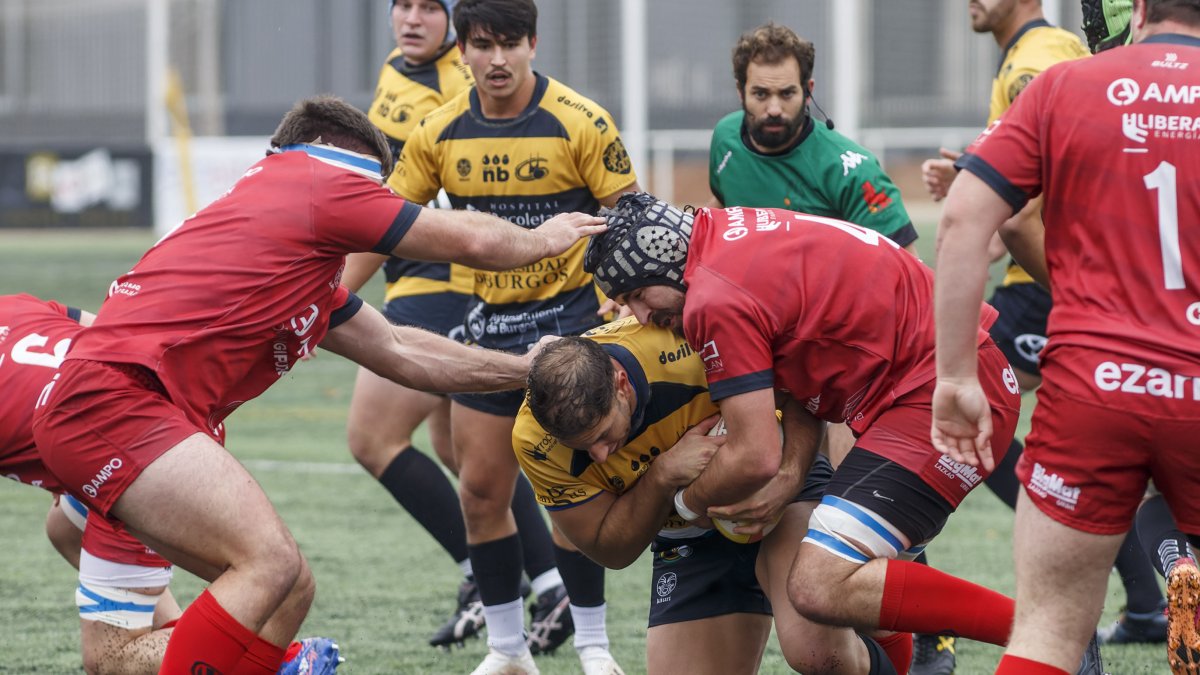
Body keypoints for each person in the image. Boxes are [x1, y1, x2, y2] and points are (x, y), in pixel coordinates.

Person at [29, 95, 605, 675]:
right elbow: (472, 242)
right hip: (119, 403)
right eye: (376, 188)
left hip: (118, 411)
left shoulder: (295, 250)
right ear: (346, 161)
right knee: (270, 565)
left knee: (292, 586)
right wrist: (543, 238)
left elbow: (404, 354)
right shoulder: (316, 179)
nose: (376, 203)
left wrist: (525, 369)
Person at [583, 193, 1091, 674]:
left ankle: (1048, 632)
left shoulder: (712, 296)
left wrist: (685, 505)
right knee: (864, 600)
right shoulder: (725, 232)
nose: (642, 315)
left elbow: (753, 454)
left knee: (818, 584)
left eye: (637, 294)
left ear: (663, 258)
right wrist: (791, 473)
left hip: (936, 396)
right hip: (934, 384)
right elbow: (798, 377)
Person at [933, 0, 1200, 672]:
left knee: (1047, 630)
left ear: (1137, 9)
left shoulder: (1064, 82)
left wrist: (957, 376)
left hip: (1092, 382)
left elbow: (966, 218)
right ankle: (1169, 571)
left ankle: (1157, 584)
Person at [380, 1, 642, 672]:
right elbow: (378, 223)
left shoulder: (580, 122)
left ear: (534, 43)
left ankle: (593, 646)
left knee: (573, 498)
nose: (496, 59)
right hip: (492, 335)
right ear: (462, 51)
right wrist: (324, 292)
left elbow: (633, 220)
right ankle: (506, 649)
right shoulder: (440, 131)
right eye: (481, 45)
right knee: (480, 493)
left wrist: (632, 296)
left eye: (509, 44)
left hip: (573, 335)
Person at [517, 320, 902, 675]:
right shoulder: (535, 441)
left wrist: (786, 479)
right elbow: (611, 551)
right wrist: (664, 475)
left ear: (622, 384)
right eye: (583, 448)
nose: (600, 455)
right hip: (684, 532)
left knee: (817, 653)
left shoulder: (689, 346)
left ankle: (891, 637)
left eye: (603, 435)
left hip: (782, 488)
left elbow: (803, 394)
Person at [0, 293, 341, 674]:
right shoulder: (11, 305)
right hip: (156, 416)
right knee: (65, 528)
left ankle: (282, 662)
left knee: (111, 657)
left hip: (127, 453)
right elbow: (104, 328)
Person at [344, 0, 543, 649]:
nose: (411, 18)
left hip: (445, 282)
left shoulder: (469, 80)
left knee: (372, 436)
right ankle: (548, 584)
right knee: (458, 447)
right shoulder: (395, 71)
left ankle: (489, 583)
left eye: (430, 7)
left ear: (456, 31)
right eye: (403, 3)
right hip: (410, 276)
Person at [710, 22, 918, 255]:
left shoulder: (854, 172)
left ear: (808, 92)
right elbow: (724, 202)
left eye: (787, 93)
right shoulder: (725, 137)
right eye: (761, 94)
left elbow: (909, 269)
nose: (775, 108)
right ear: (741, 92)